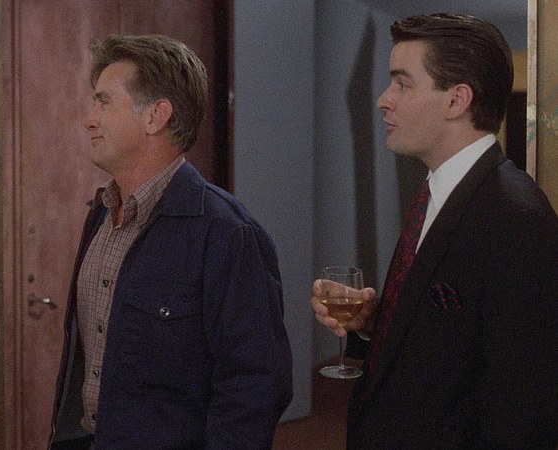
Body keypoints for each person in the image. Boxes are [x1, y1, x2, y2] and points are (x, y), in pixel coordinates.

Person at [312, 13, 558, 448]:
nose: (383, 100)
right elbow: (451, 348)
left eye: (401, 84)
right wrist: (373, 323)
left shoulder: (516, 219)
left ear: (457, 100)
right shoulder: (439, 193)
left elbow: (524, 408)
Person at [49, 34, 293, 449]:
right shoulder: (100, 214)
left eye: (104, 102)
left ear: (156, 116)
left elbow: (255, 389)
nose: (90, 118)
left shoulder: (227, 233)